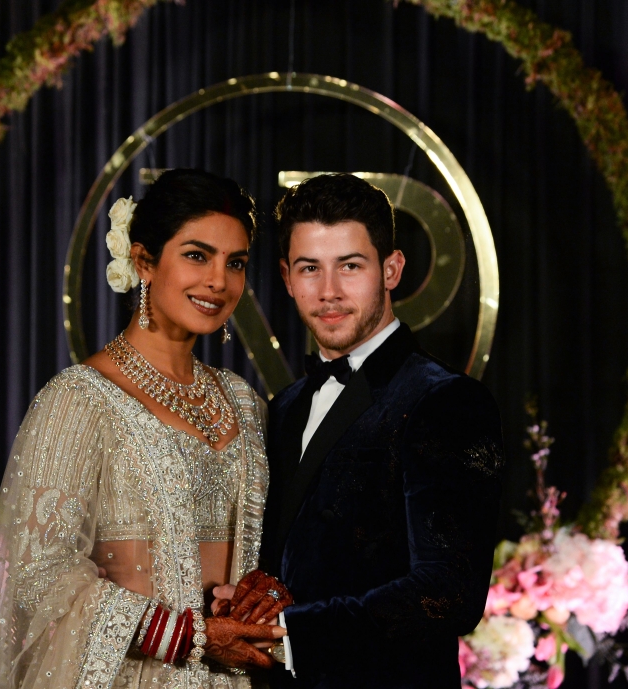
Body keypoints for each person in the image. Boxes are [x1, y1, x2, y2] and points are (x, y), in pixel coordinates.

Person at [0, 169, 293, 689]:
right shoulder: (79, 400)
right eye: (197, 255)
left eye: (235, 263)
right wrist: (189, 635)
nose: (219, 281)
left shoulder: (243, 402)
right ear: (144, 261)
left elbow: (270, 546)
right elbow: (40, 573)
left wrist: (263, 590)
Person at [215, 173, 504, 687]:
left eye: (350, 266)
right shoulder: (283, 408)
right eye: (310, 269)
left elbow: (449, 591)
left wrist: (289, 635)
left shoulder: (446, 400)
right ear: (286, 277)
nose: (329, 292)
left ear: (391, 270)